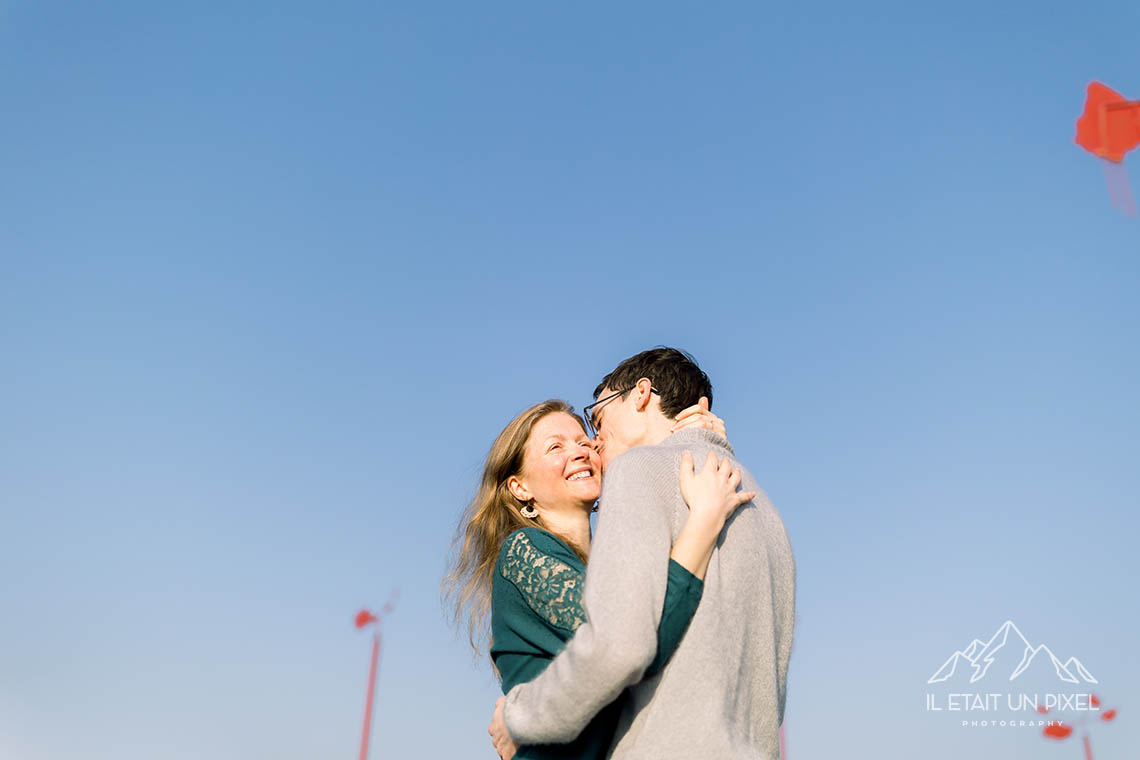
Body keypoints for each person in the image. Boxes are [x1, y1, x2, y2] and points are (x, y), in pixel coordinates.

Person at [489, 348, 796, 760]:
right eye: (556, 447)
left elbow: (621, 647)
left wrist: (516, 715)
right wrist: (711, 453)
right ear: (519, 487)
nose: (592, 446)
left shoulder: (639, 471)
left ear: (641, 395)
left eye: (593, 423)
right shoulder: (765, 510)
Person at [444, 397, 752, 759]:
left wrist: (690, 439)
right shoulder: (525, 551)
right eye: (556, 447)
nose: (579, 452)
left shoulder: (611, 559)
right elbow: (628, 646)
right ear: (519, 488)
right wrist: (705, 518)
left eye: (585, 442)